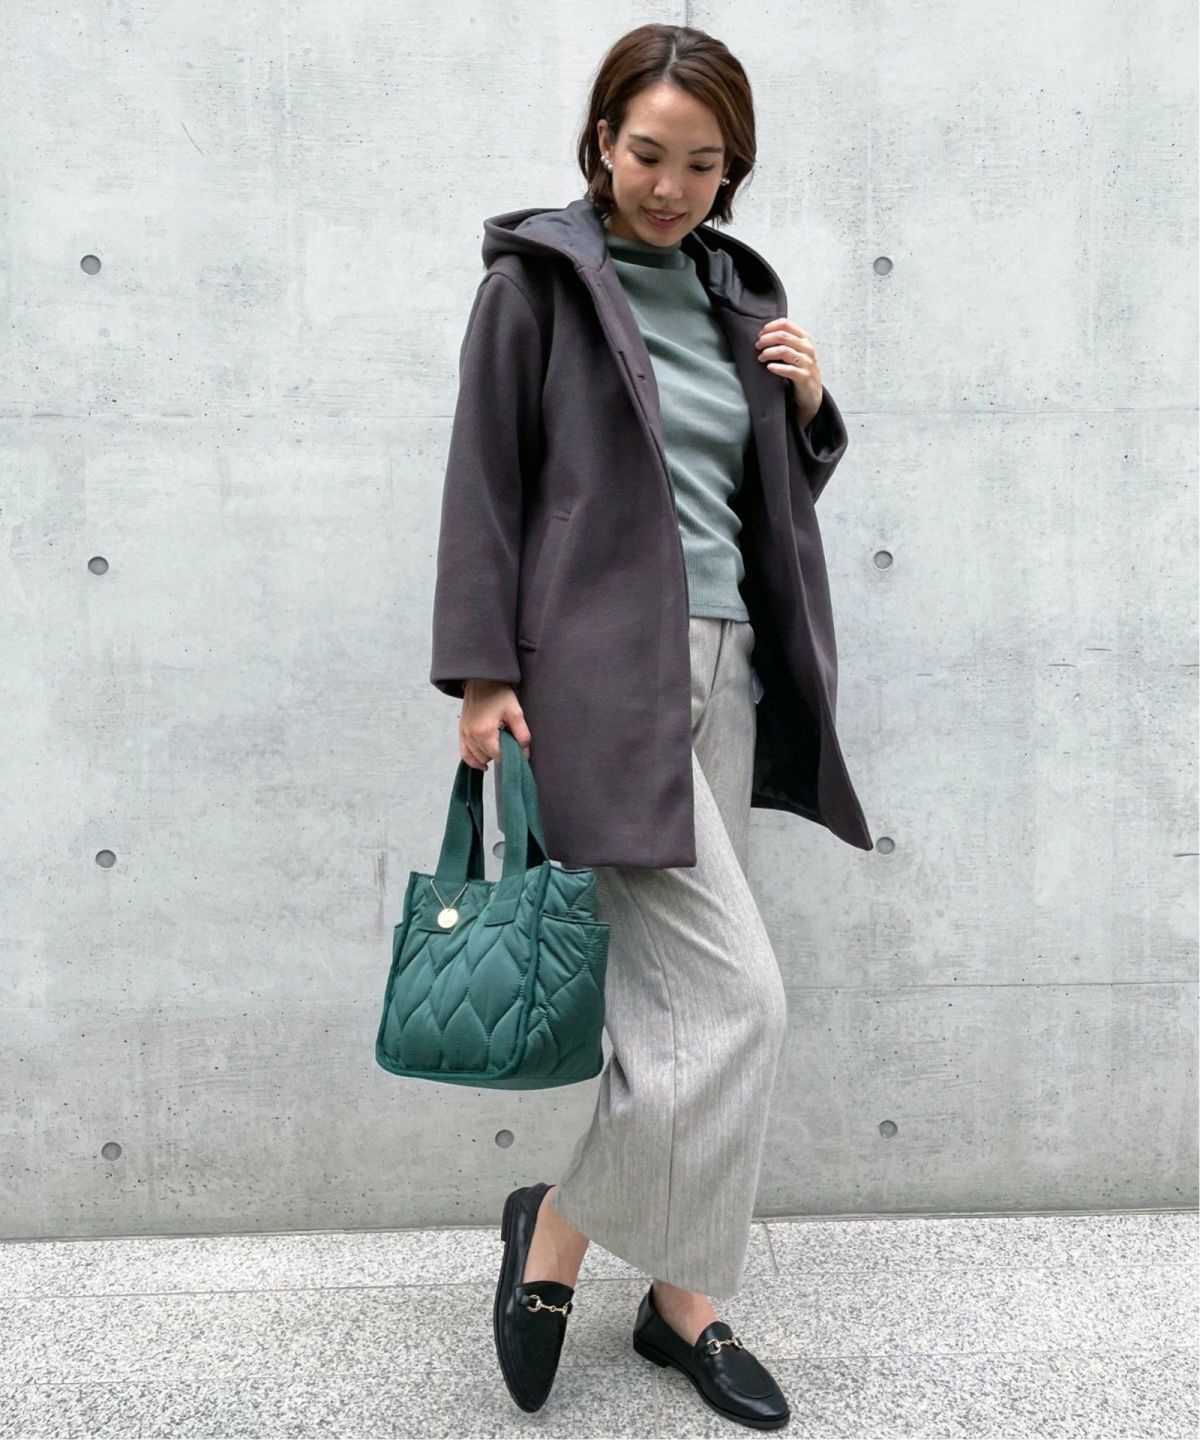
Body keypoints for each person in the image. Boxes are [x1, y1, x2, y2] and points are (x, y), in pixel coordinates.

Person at [432, 22, 870, 1432]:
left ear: (732, 168)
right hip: (594, 682)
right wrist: (481, 674)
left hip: (729, 668)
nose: (671, 186)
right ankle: (559, 1235)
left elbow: (753, 500)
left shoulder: (741, 295)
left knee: (676, 1013)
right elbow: (485, 483)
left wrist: (807, 405)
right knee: (740, 1001)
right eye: (647, 154)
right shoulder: (536, 289)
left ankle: (680, 1299)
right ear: (601, 140)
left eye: (702, 164)